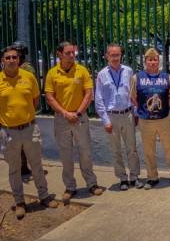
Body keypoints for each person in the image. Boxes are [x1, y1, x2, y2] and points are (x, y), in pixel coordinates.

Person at [0, 45, 58, 219]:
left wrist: (25, 117)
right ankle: (19, 202)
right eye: (8, 57)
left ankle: (44, 196)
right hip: (8, 132)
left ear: (19, 60)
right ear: (3, 60)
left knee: (37, 164)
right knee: (14, 168)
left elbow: (34, 100)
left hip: (30, 128)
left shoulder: (28, 77)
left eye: (14, 57)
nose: (11, 60)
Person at [44, 41, 104, 201]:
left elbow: (88, 93)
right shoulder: (52, 73)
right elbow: (50, 97)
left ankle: (92, 183)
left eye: (73, 53)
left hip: (80, 118)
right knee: (66, 155)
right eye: (68, 53)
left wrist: (77, 113)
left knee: (85, 152)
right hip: (62, 119)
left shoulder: (82, 70)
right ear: (59, 54)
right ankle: (70, 187)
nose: (72, 55)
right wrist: (65, 113)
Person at [131, 48, 170, 189]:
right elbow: (133, 97)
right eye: (150, 59)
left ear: (158, 61)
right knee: (148, 151)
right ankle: (152, 177)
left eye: (155, 59)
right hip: (145, 120)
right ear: (145, 61)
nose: (153, 62)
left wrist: (162, 108)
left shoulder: (166, 77)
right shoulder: (137, 77)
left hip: (163, 119)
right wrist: (144, 109)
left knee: (169, 148)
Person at [95, 43, 143, 191]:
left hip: (128, 114)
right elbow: (99, 99)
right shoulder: (102, 74)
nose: (115, 58)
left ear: (121, 55)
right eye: (112, 55)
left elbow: (133, 94)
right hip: (112, 116)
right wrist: (105, 120)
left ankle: (134, 177)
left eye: (117, 55)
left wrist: (135, 113)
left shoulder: (128, 71)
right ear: (107, 56)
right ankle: (122, 178)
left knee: (132, 148)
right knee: (116, 150)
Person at [11, 40, 38, 182]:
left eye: (18, 52)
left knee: (29, 142)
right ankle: (21, 167)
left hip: (27, 111)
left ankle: (26, 166)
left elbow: (33, 92)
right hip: (13, 112)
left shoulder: (27, 68)